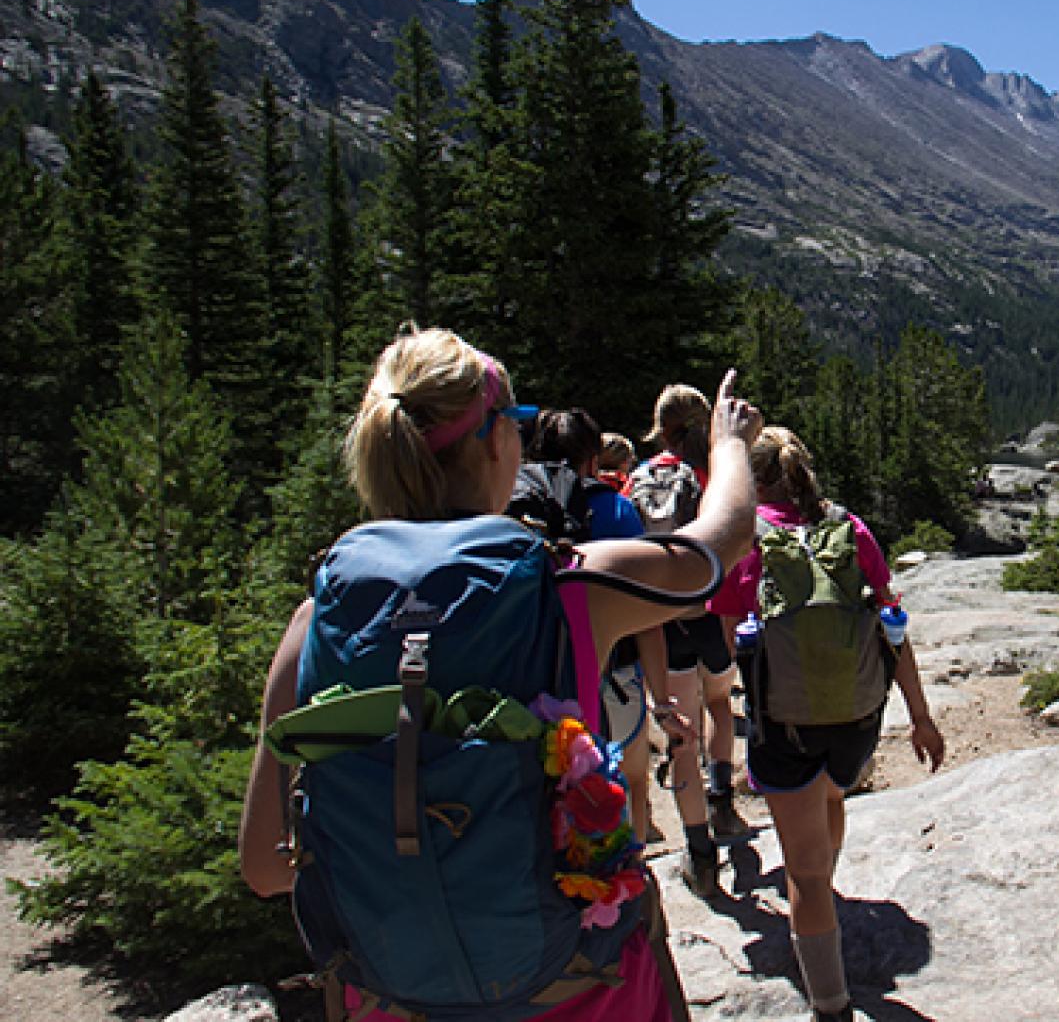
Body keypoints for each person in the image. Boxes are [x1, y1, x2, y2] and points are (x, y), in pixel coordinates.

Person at [238, 327, 762, 1021]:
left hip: (396, 999)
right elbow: (718, 545)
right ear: (492, 441)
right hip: (576, 990)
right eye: (514, 426)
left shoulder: (316, 621)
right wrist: (728, 444)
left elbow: (267, 867)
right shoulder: (567, 586)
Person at [707, 426, 945, 1022]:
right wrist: (920, 717)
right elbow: (894, 627)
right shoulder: (851, 528)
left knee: (804, 879)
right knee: (832, 794)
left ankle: (831, 1004)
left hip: (784, 722)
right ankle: (825, 885)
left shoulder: (748, 540)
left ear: (752, 480)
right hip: (856, 717)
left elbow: (724, 638)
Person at [511, 407, 687, 845]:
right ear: (592, 459)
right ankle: (632, 879)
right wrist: (663, 700)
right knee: (632, 780)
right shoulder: (615, 509)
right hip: (616, 672)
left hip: (537, 677)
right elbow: (645, 613)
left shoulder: (511, 507)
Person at [625, 384, 751, 900]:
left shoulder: (636, 479)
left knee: (681, 735)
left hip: (662, 620)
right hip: (708, 613)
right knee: (720, 704)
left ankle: (700, 853)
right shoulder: (711, 476)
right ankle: (723, 798)